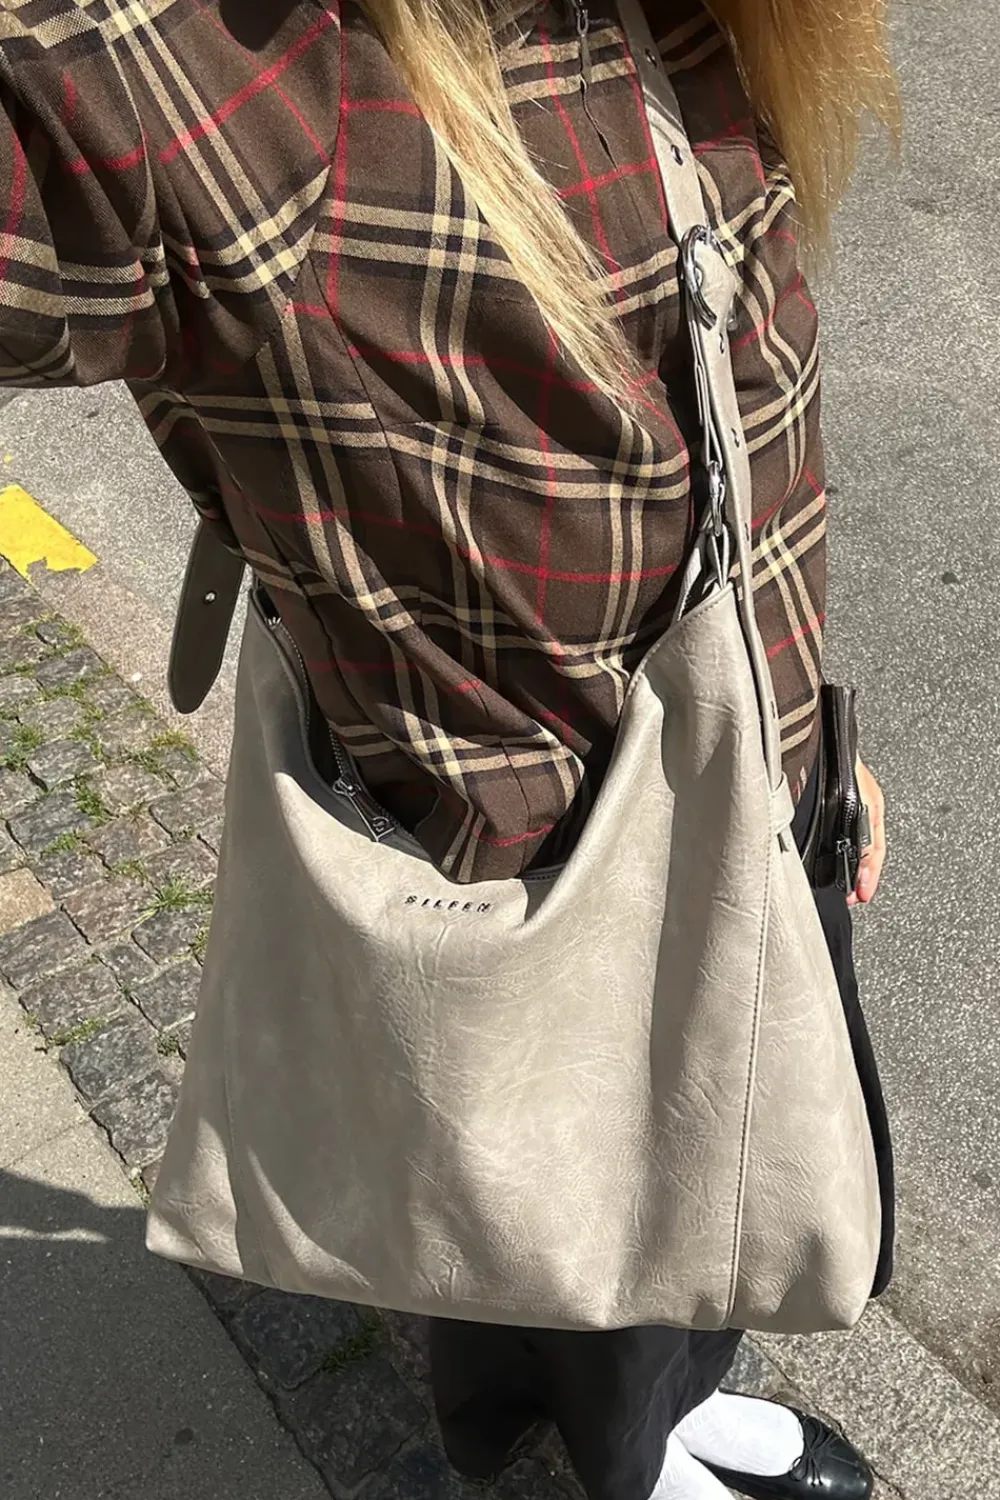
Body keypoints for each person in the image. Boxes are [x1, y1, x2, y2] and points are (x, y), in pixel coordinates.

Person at [0, 0, 897, 1496]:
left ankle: (656, 1419)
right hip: (515, 873)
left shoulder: (706, 15)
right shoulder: (218, 59)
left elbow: (751, 437)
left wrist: (817, 743)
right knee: (574, 1240)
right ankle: (625, 1464)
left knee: (695, 1209)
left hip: (758, 788)